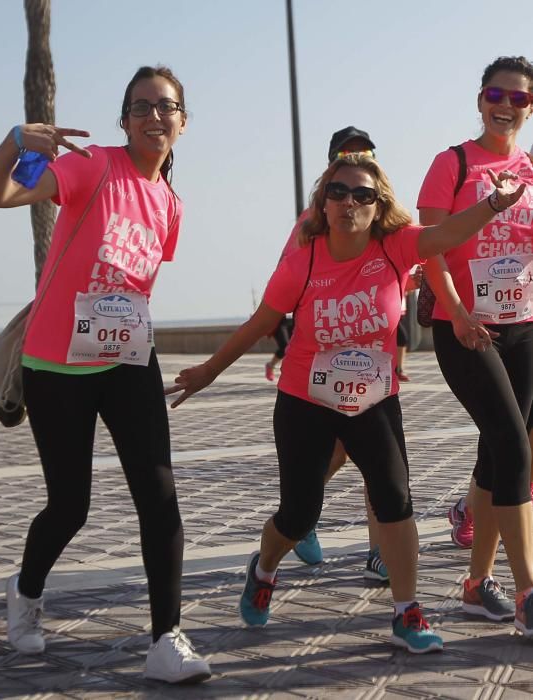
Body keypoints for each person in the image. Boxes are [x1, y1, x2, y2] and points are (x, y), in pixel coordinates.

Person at [166, 152, 524, 653]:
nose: (349, 202)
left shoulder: (398, 247)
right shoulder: (303, 262)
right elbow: (258, 325)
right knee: (298, 512)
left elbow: (444, 237)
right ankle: (265, 567)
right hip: (305, 401)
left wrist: (493, 203)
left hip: (374, 399)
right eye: (338, 192)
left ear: (378, 207)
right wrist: (207, 372)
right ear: (323, 203)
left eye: (363, 195)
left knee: (396, 501)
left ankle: (406, 613)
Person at [0, 65, 211, 684]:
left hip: (128, 357)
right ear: (124, 120)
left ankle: (166, 639)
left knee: (160, 497)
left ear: (183, 122)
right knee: (70, 506)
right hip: (57, 363)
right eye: (140, 107)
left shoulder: (170, 203)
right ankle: (26, 590)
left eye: (166, 107)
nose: (153, 117)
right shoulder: (93, 167)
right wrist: (15, 141)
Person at [417, 55, 533, 636]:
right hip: (464, 328)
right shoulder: (453, 163)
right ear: (480, 98)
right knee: (514, 446)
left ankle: (475, 585)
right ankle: (528, 591)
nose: (506, 105)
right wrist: (458, 312)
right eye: (496, 93)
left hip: (525, 327)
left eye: (518, 98)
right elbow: (429, 245)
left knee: (495, 451)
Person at [289, 127, 387, 581]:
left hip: (372, 356)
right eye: (345, 159)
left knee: (375, 460)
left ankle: (379, 549)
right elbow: (285, 291)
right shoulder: (310, 225)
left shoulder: (383, 217)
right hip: (322, 360)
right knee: (341, 450)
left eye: (365, 156)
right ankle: (301, 513)